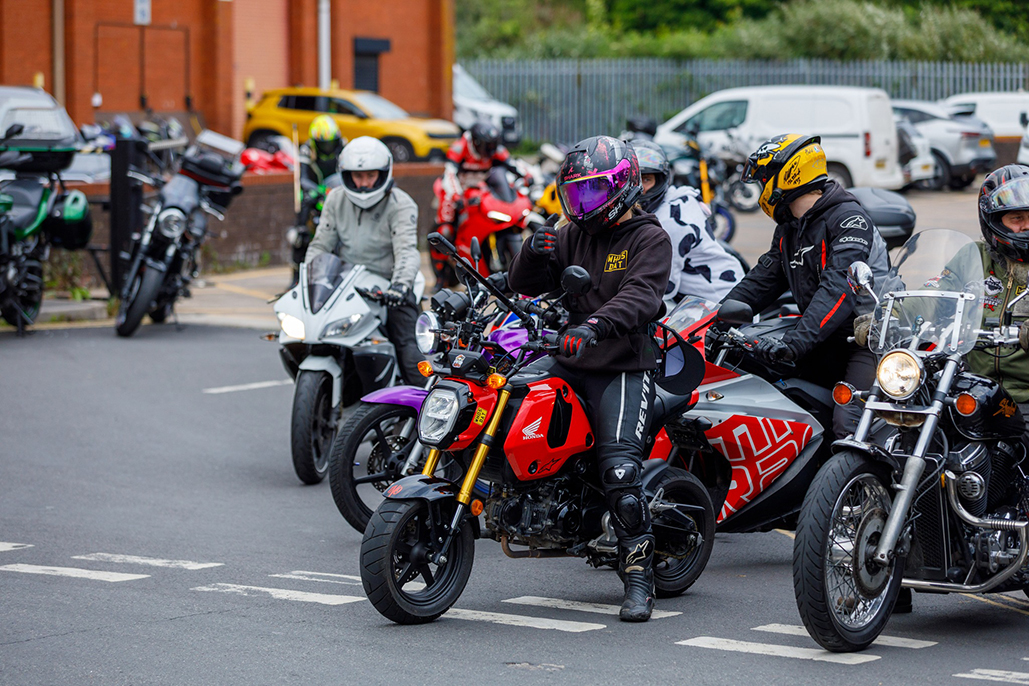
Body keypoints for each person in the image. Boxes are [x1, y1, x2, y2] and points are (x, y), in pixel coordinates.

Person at [507, 135, 672, 622]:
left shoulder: (649, 237)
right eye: (575, 193)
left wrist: (594, 325)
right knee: (504, 400)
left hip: (622, 364)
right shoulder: (569, 231)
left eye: (593, 192)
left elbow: (643, 296)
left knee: (620, 471)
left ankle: (639, 577)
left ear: (622, 187)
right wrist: (533, 252)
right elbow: (522, 284)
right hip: (569, 358)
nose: (583, 204)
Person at [721, 133, 889, 438]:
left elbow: (838, 290)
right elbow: (762, 280)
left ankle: (863, 482)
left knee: (848, 422)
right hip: (822, 339)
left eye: (764, 179)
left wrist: (794, 344)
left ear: (789, 174)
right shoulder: (790, 228)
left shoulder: (850, 220)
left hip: (867, 342)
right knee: (759, 386)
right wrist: (714, 321)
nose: (762, 188)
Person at [305, 136, 423, 385]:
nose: (364, 184)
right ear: (346, 175)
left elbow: (407, 250)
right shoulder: (335, 199)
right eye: (357, 176)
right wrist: (308, 280)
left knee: (410, 354)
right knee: (311, 336)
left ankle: (422, 414)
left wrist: (400, 286)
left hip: (390, 287)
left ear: (383, 173)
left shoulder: (401, 204)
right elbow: (320, 244)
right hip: (345, 284)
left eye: (371, 176)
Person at [630, 139, 743, 304]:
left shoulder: (670, 222)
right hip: (704, 296)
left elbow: (661, 288)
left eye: (646, 179)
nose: (639, 188)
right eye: (634, 180)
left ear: (660, 181)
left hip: (720, 304)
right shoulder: (676, 199)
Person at [432, 122, 528, 287]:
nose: (490, 149)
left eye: (493, 145)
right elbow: (449, 174)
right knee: (445, 230)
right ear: (475, 142)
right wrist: (456, 196)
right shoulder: (459, 147)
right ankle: (441, 276)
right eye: (486, 145)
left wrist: (528, 176)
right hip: (455, 188)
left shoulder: (495, 150)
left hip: (481, 191)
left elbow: (513, 165)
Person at [299, 115, 346, 185]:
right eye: (324, 144)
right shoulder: (306, 150)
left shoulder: (343, 145)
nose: (328, 147)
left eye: (331, 143)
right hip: (316, 189)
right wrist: (316, 191)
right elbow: (303, 179)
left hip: (337, 187)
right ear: (314, 142)